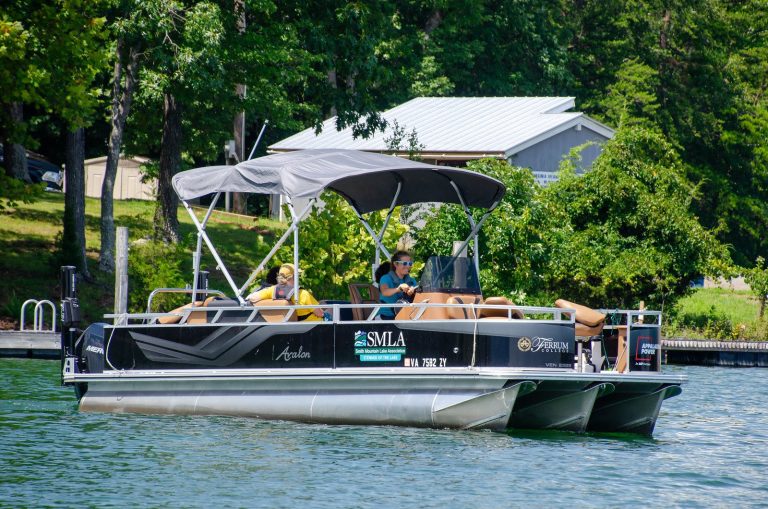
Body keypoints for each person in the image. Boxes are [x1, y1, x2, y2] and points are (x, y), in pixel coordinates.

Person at [246, 263, 324, 321]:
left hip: (295, 326)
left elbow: (253, 297)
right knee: (331, 312)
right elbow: (320, 314)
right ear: (293, 277)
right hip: (312, 327)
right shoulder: (303, 294)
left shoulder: (272, 290)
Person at [377, 251, 418, 320]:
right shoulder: (385, 278)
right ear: (396, 264)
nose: (408, 266)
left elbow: (418, 298)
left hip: (406, 316)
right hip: (385, 316)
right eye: (404, 263)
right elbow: (385, 291)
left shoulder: (412, 280)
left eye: (410, 263)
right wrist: (398, 289)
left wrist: (413, 292)